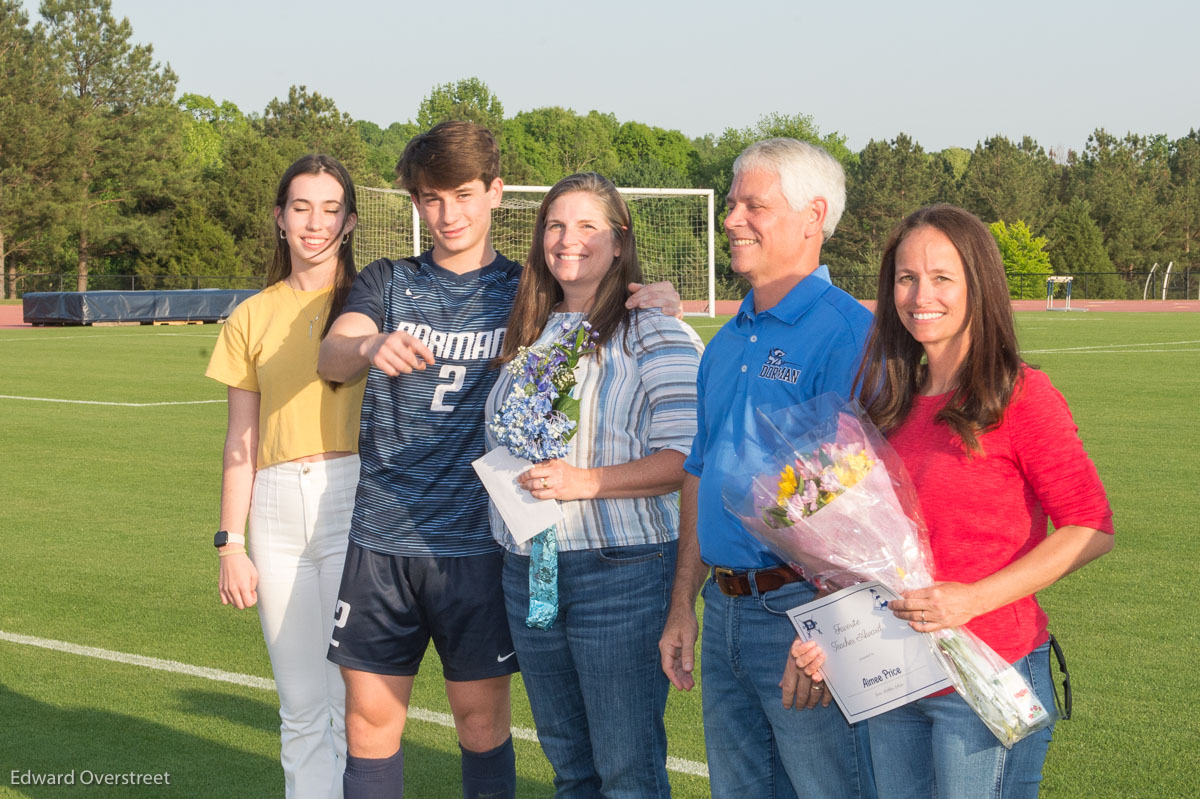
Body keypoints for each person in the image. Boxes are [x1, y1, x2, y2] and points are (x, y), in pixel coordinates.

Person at [316, 122, 681, 799]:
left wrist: (654, 296)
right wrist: (367, 348)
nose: (447, 214)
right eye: (430, 199)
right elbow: (333, 354)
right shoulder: (388, 280)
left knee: (481, 721)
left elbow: (600, 301)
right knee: (368, 721)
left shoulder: (529, 292)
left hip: (482, 546)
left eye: (461, 194)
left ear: (495, 192)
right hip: (383, 538)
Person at [792, 204, 1114, 798]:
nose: (920, 295)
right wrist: (824, 634)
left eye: (942, 277)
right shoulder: (885, 403)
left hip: (987, 672)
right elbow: (850, 551)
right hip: (892, 677)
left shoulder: (1021, 397)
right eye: (906, 278)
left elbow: (1090, 527)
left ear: (978, 286)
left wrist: (973, 599)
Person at [657, 138, 876, 798]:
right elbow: (700, 471)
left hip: (801, 610)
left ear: (813, 215)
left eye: (753, 204)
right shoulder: (726, 342)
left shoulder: (849, 333)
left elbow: (859, 494)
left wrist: (825, 632)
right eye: (731, 203)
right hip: (724, 610)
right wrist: (682, 605)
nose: (730, 219)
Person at [484, 172, 703, 796]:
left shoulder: (653, 329)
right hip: (532, 569)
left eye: (587, 226)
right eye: (555, 225)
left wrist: (586, 481)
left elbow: (688, 455)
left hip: (621, 572)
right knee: (571, 768)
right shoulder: (529, 331)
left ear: (620, 239)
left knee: (626, 772)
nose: (567, 239)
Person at [206, 154, 363, 799]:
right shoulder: (250, 316)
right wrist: (230, 542)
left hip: (354, 499)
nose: (315, 223)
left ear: (349, 222)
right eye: (301, 207)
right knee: (300, 704)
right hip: (273, 510)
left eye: (330, 210)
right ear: (279, 217)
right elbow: (240, 440)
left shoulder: (372, 301)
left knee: (357, 700)